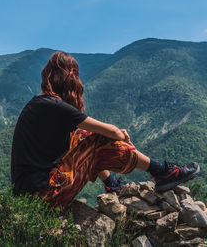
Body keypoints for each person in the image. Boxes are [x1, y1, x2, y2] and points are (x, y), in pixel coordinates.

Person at [11, 51, 200, 208]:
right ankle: (162, 171)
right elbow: (112, 133)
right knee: (98, 139)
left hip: (31, 197)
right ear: (69, 76)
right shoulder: (54, 105)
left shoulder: (41, 103)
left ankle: (113, 185)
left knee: (82, 136)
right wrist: (119, 133)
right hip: (45, 196)